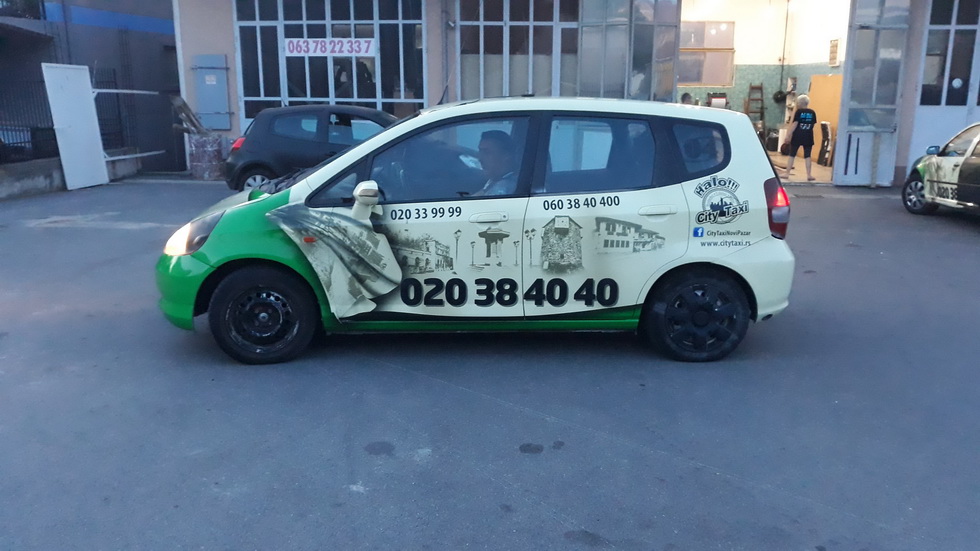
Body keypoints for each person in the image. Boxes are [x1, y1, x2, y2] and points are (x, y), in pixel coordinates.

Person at [473, 130, 518, 196]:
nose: (480, 159)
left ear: (506, 155)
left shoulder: (505, 189)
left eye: (487, 152)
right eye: (480, 151)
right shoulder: (494, 180)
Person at [784, 94, 817, 181]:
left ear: (799, 103)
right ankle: (809, 175)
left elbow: (795, 124)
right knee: (808, 155)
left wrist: (788, 135)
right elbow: (813, 124)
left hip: (798, 136)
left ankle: (787, 173)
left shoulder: (799, 112)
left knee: (792, 154)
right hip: (808, 136)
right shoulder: (812, 112)